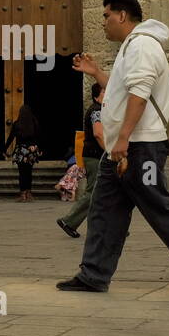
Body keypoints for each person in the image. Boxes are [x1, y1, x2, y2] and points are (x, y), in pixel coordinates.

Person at [57, 0, 169, 294]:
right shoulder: (130, 47)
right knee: (104, 211)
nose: (104, 22)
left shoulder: (143, 45)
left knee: (159, 205)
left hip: (139, 146)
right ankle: (93, 274)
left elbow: (140, 93)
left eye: (106, 15)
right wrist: (97, 73)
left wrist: (122, 139)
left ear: (122, 15)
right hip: (121, 148)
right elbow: (124, 89)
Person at [57, 81, 105, 237]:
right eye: (105, 92)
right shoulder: (96, 111)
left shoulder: (101, 109)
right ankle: (69, 221)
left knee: (107, 191)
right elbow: (98, 133)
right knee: (93, 192)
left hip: (96, 155)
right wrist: (110, 150)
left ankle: (112, 225)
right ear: (98, 95)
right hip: (95, 156)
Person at [5, 105, 41, 202]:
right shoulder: (34, 123)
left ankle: (23, 194)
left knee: (22, 173)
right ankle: (29, 193)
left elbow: (11, 138)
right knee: (29, 172)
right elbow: (38, 137)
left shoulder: (17, 124)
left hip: (21, 151)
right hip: (31, 151)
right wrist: (37, 147)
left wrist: (4, 148)